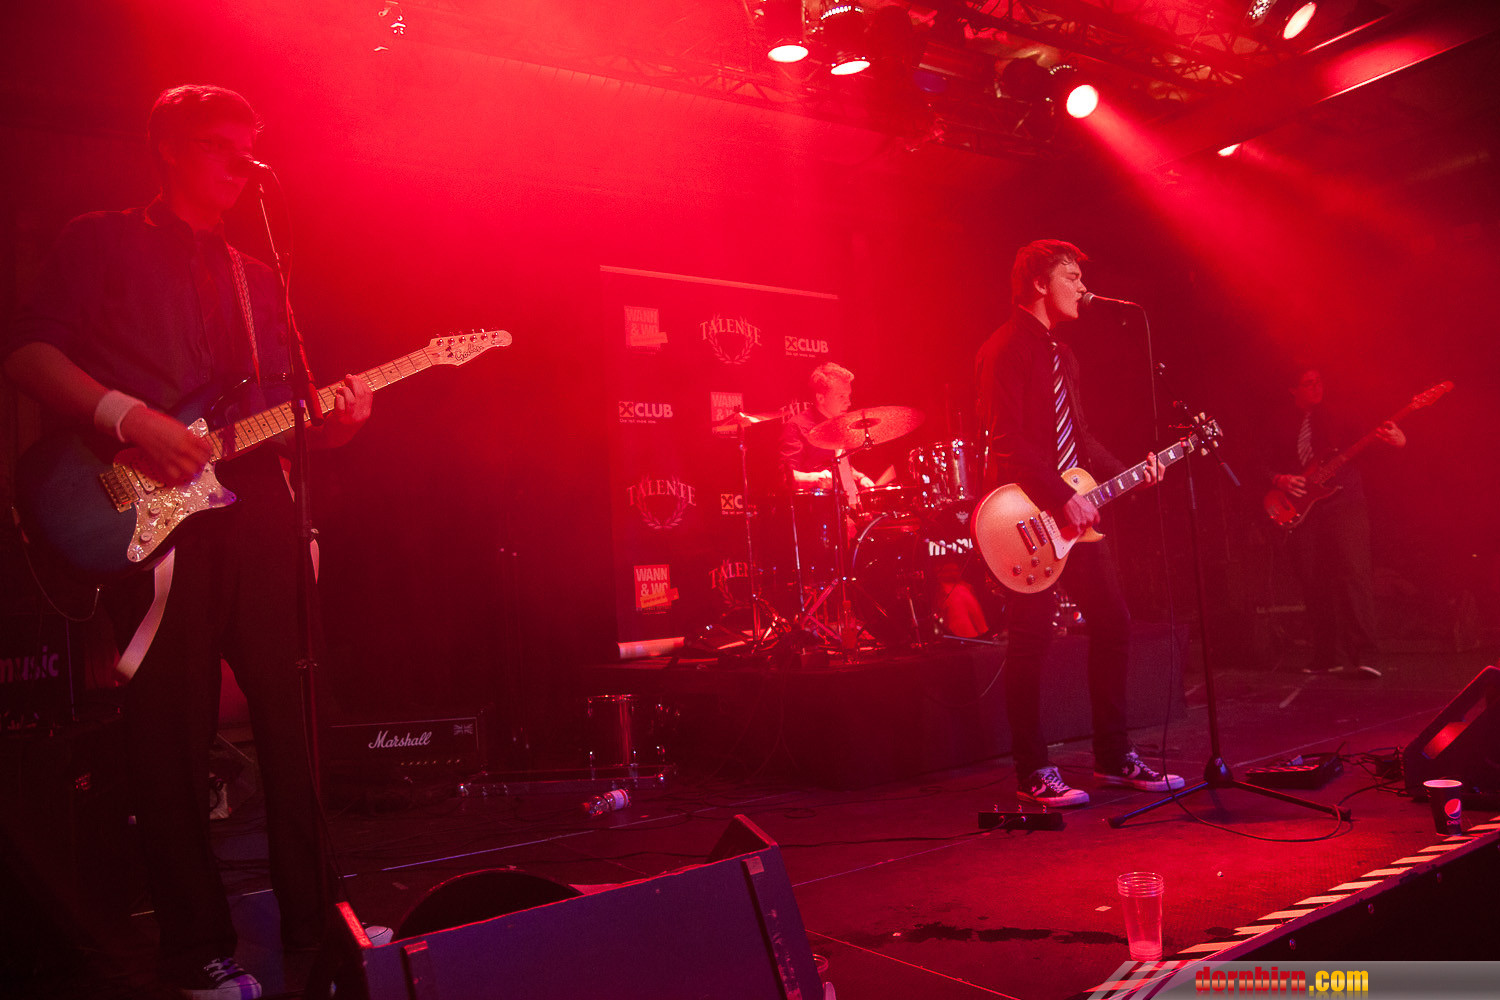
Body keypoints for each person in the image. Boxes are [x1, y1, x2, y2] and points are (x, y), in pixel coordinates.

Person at [3, 85, 373, 999]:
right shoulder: (100, 241)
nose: (242, 163)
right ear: (167, 147)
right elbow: (27, 355)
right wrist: (127, 418)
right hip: (153, 512)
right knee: (169, 734)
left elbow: (281, 413)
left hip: (257, 514)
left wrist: (332, 426)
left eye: (251, 146)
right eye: (220, 145)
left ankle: (317, 919)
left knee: (296, 720)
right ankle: (194, 948)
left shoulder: (260, 274)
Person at [974, 239, 1182, 807]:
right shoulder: (1004, 349)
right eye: (1071, 276)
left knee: (1113, 622)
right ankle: (1032, 771)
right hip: (1026, 513)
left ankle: (1113, 757)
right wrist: (1062, 497)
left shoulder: (1064, 355)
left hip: (1073, 510)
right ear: (1039, 283)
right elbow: (1008, 442)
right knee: (1031, 640)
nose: (1082, 287)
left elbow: (1080, 437)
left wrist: (1132, 472)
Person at [1265, 364, 1404, 678]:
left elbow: (1370, 442)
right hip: (1305, 507)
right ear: (1292, 390)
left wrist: (1398, 441)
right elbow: (1257, 460)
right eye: (1308, 383)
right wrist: (1279, 479)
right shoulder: (1280, 422)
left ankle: (1367, 654)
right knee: (1313, 580)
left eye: (1318, 381)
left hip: (1344, 501)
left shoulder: (1340, 413)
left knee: (1354, 574)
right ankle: (1327, 655)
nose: (1316, 387)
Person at [778, 361, 877, 495]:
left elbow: (841, 466)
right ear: (820, 398)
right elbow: (786, 477)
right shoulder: (797, 426)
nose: (848, 402)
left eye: (848, 395)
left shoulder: (840, 424)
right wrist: (816, 479)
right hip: (815, 504)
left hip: (845, 502)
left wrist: (860, 478)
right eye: (841, 396)